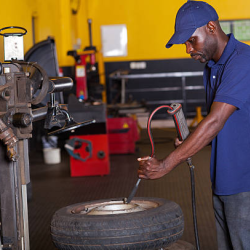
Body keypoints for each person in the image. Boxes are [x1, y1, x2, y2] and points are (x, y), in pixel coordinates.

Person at [138, 1, 250, 249]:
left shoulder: (243, 61)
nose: (188, 49)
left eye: (191, 40)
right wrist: (192, 139)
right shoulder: (212, 66)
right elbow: (222, 120)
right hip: (224, 180)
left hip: (245, 183)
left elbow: (216, 120)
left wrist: (167, 164)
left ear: (211, 27)